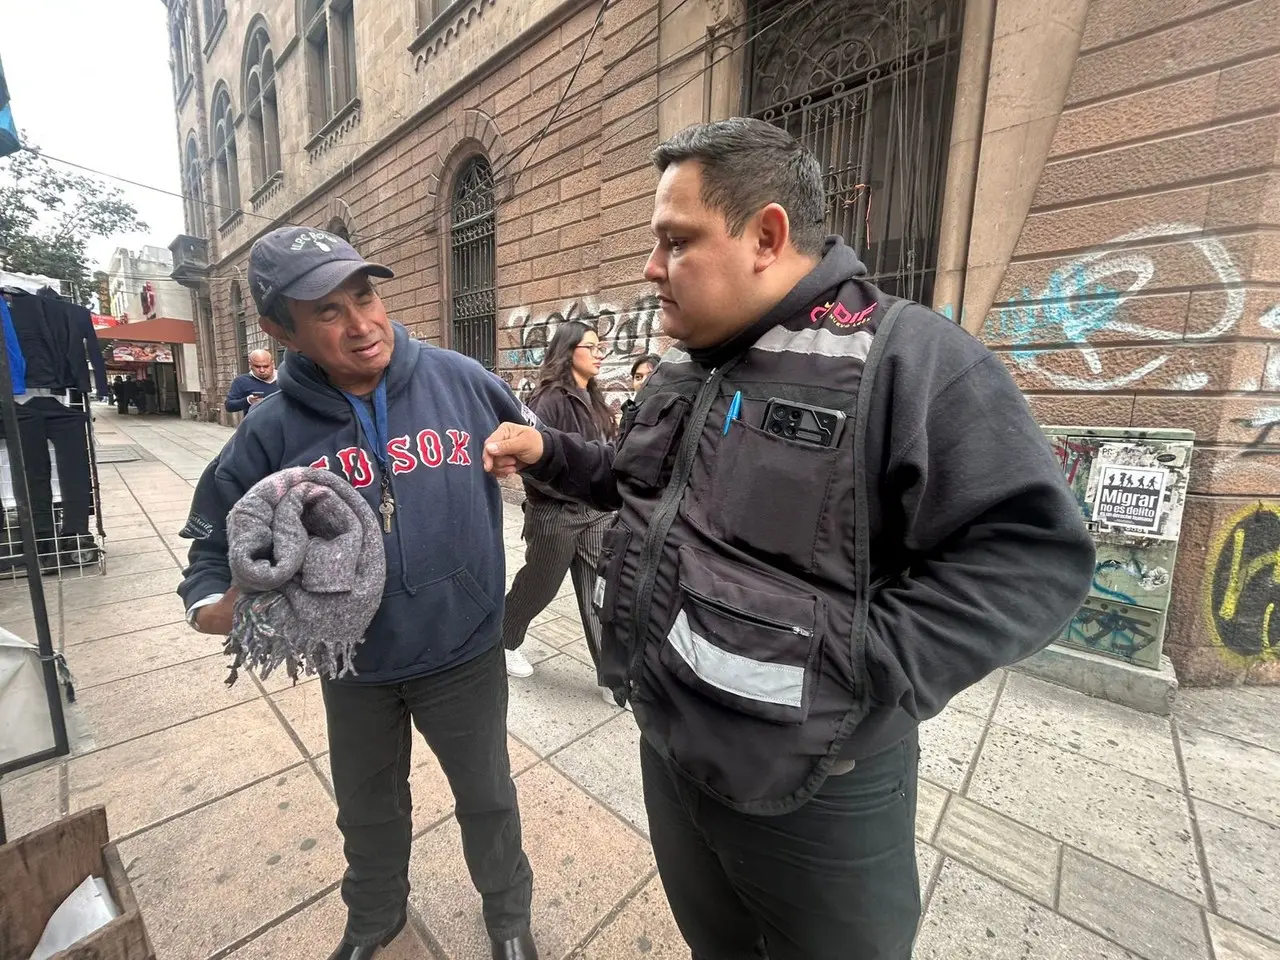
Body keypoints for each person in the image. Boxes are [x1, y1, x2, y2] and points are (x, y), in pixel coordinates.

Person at [481, 118, 1095, 959]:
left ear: (766, 235)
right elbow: (634, 482)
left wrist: (855, 663)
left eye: (675, 241)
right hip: (672, 747)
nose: (650, 268)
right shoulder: (683, 367)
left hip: (821, 794)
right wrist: (549, 449)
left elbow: (1031, 557)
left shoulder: (910, 361)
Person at [177, 226, 540, 960]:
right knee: (369, 811)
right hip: (355, 664)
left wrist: (528, 454)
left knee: (489, 798)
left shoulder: (460, 380)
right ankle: (375, 916)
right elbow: (211, 549)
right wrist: (212, 604)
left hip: (463, 648)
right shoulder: (271, 429)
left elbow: (537, 442)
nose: (362, 324)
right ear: (282, 329)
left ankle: (507, 918)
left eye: (364, 296)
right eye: (329, 312)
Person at [500, 320, 617, 701]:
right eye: (591, 346)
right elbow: (531, 464)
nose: (600, 353)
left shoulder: (597, 401)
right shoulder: (547, 400)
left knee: (600, 593)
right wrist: (562, 496)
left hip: (596, 514)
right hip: (555, 514)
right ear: (569, 351)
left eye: (601, 346)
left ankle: (610, 675)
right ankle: (505, 640)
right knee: (539, 586)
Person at [225, 348, 282, 414]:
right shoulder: (241, 381)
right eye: (257, 366)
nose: (262, 370)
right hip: (255, 423)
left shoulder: (285, 378)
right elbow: (229, 406)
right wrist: (248, 401)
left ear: (273, 364)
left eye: (266, 366)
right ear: (250, 365)